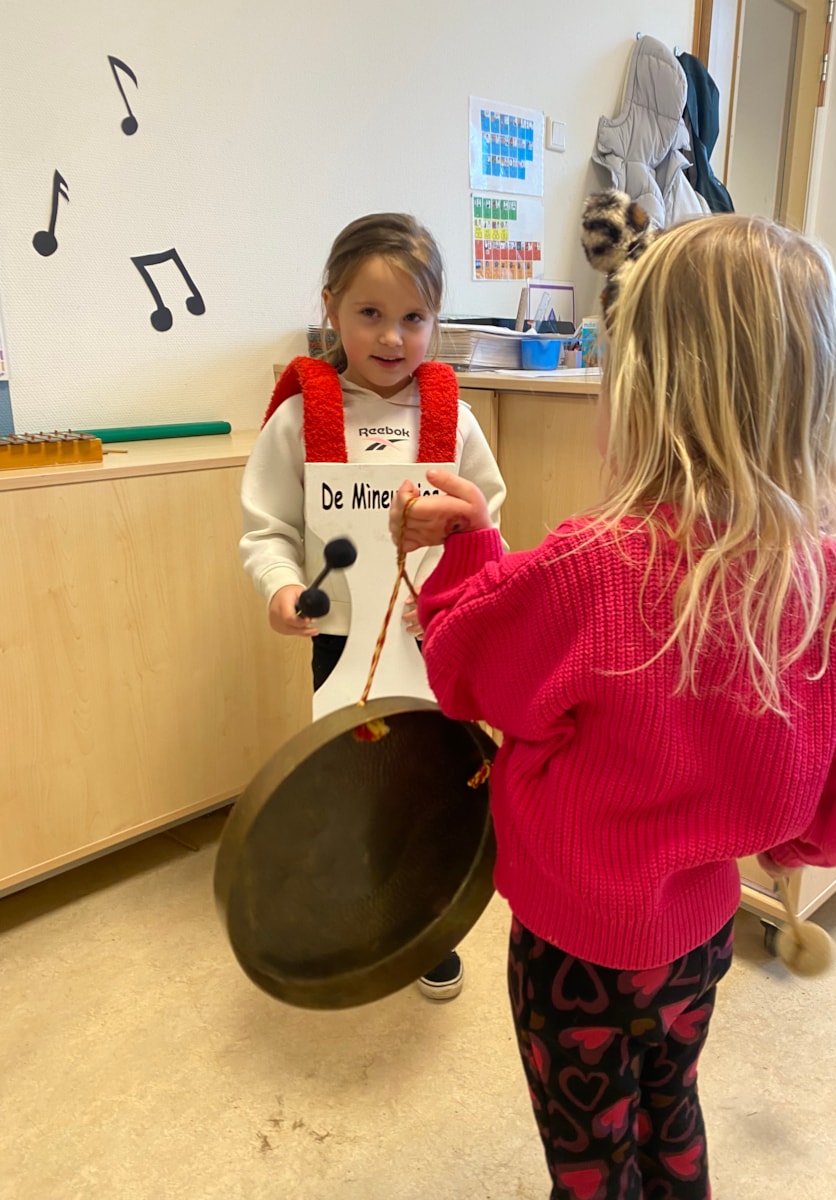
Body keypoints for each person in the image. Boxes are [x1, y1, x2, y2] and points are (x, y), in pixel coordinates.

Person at [388, 214, 836, 1197]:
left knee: (590, 1153)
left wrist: (470, 544)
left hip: (572, 949)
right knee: (672, 1102)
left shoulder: (591, 567)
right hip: (700, 937)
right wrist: (792, 844)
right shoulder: (822, 579)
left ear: (644, 389)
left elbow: (465, 665)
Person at [239, 212, 506, 1002]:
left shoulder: (455, 420)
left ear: (436, 319)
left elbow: (488, 519)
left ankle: (426, 921)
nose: (393, 337)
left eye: (414, 317)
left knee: (434, 782)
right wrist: (281, 588)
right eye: (370, 313)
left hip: (437, 642)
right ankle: (362, 906)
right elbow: (268, 528)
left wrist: (467, 582)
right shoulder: (299, 420)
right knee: (354, 781)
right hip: (342, 644)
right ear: (330, 308)